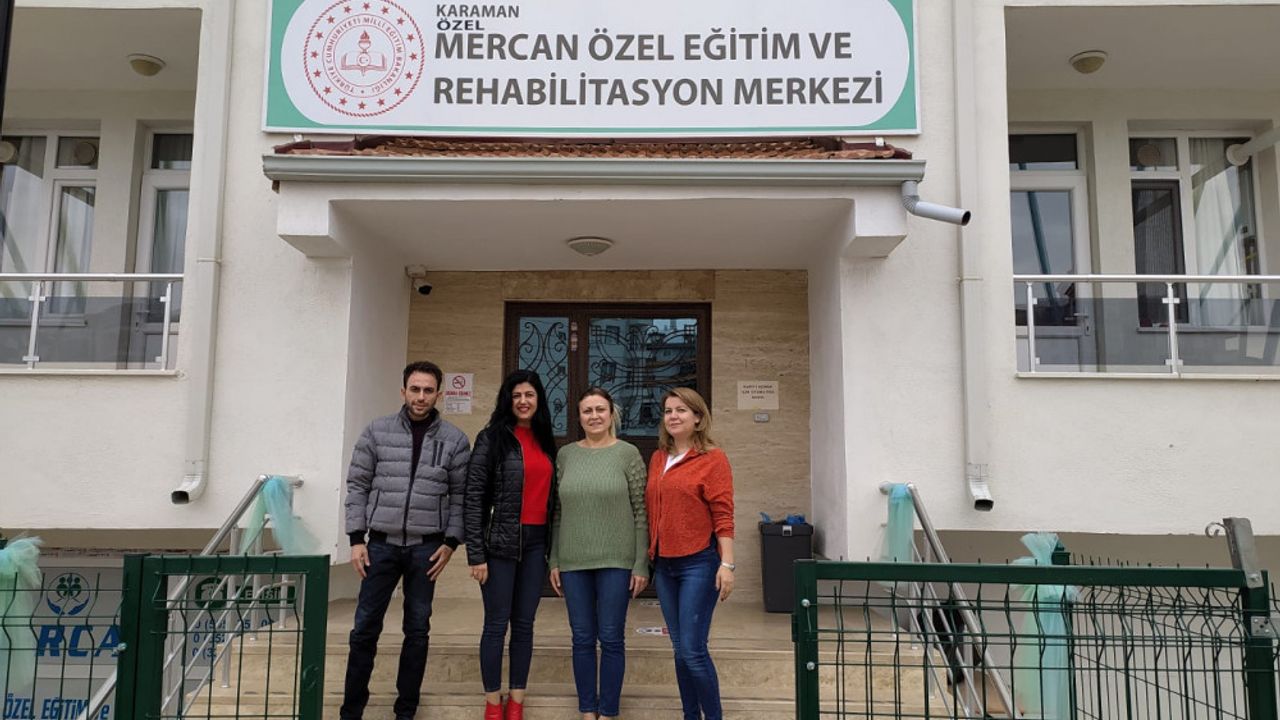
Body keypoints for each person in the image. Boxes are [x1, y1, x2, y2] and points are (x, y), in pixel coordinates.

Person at [341, 360, 471, 720]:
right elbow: (357, 485)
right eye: (415, 389)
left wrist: (451, 542)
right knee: (364, 629)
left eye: (428, 390)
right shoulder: (376, 432)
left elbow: (460, 496)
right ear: (403, 391)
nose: (421, 397)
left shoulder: (455, 440)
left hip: (427, 548)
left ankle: (406, 711)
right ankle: (351, 711)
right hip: (379, 545)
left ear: (438, 395)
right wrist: (356, 538)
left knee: (417, 630)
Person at [464, 369, 559, 720]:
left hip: (536, 544)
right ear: (508, 399)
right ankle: (493, 703)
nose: (523, 401)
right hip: (499, 544)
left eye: (529, 395)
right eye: (517, 395)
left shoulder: (545, 439)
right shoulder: (491, 438)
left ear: (538, 400)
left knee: (524, 625)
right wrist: (476, 554)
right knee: (495, 624)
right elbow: (473, 497)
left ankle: (516, 701)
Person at [549, 387, 649, 720]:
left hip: (617, 561)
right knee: (581, 638)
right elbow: (558, 513)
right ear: (578, 417)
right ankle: (587, 709)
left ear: (611, 414)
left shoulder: (628, 454)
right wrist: (554, 559)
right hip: (573, 560)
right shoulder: (566, 456)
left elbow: (641, 511)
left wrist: (641, 563)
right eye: (587, 411)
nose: (594, 416)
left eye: (600, 410)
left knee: (611, 637)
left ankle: (608, 711)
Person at [646, 387, 735, 720]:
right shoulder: (658, 458)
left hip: (698, 563)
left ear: (698, 417)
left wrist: (727, 564)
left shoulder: (713, 458)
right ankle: (690, 715)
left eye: (681, 410)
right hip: (664, 566)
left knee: (693, 651)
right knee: (680, 650)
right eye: (668, 411)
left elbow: (723, 515)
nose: (673, 416)